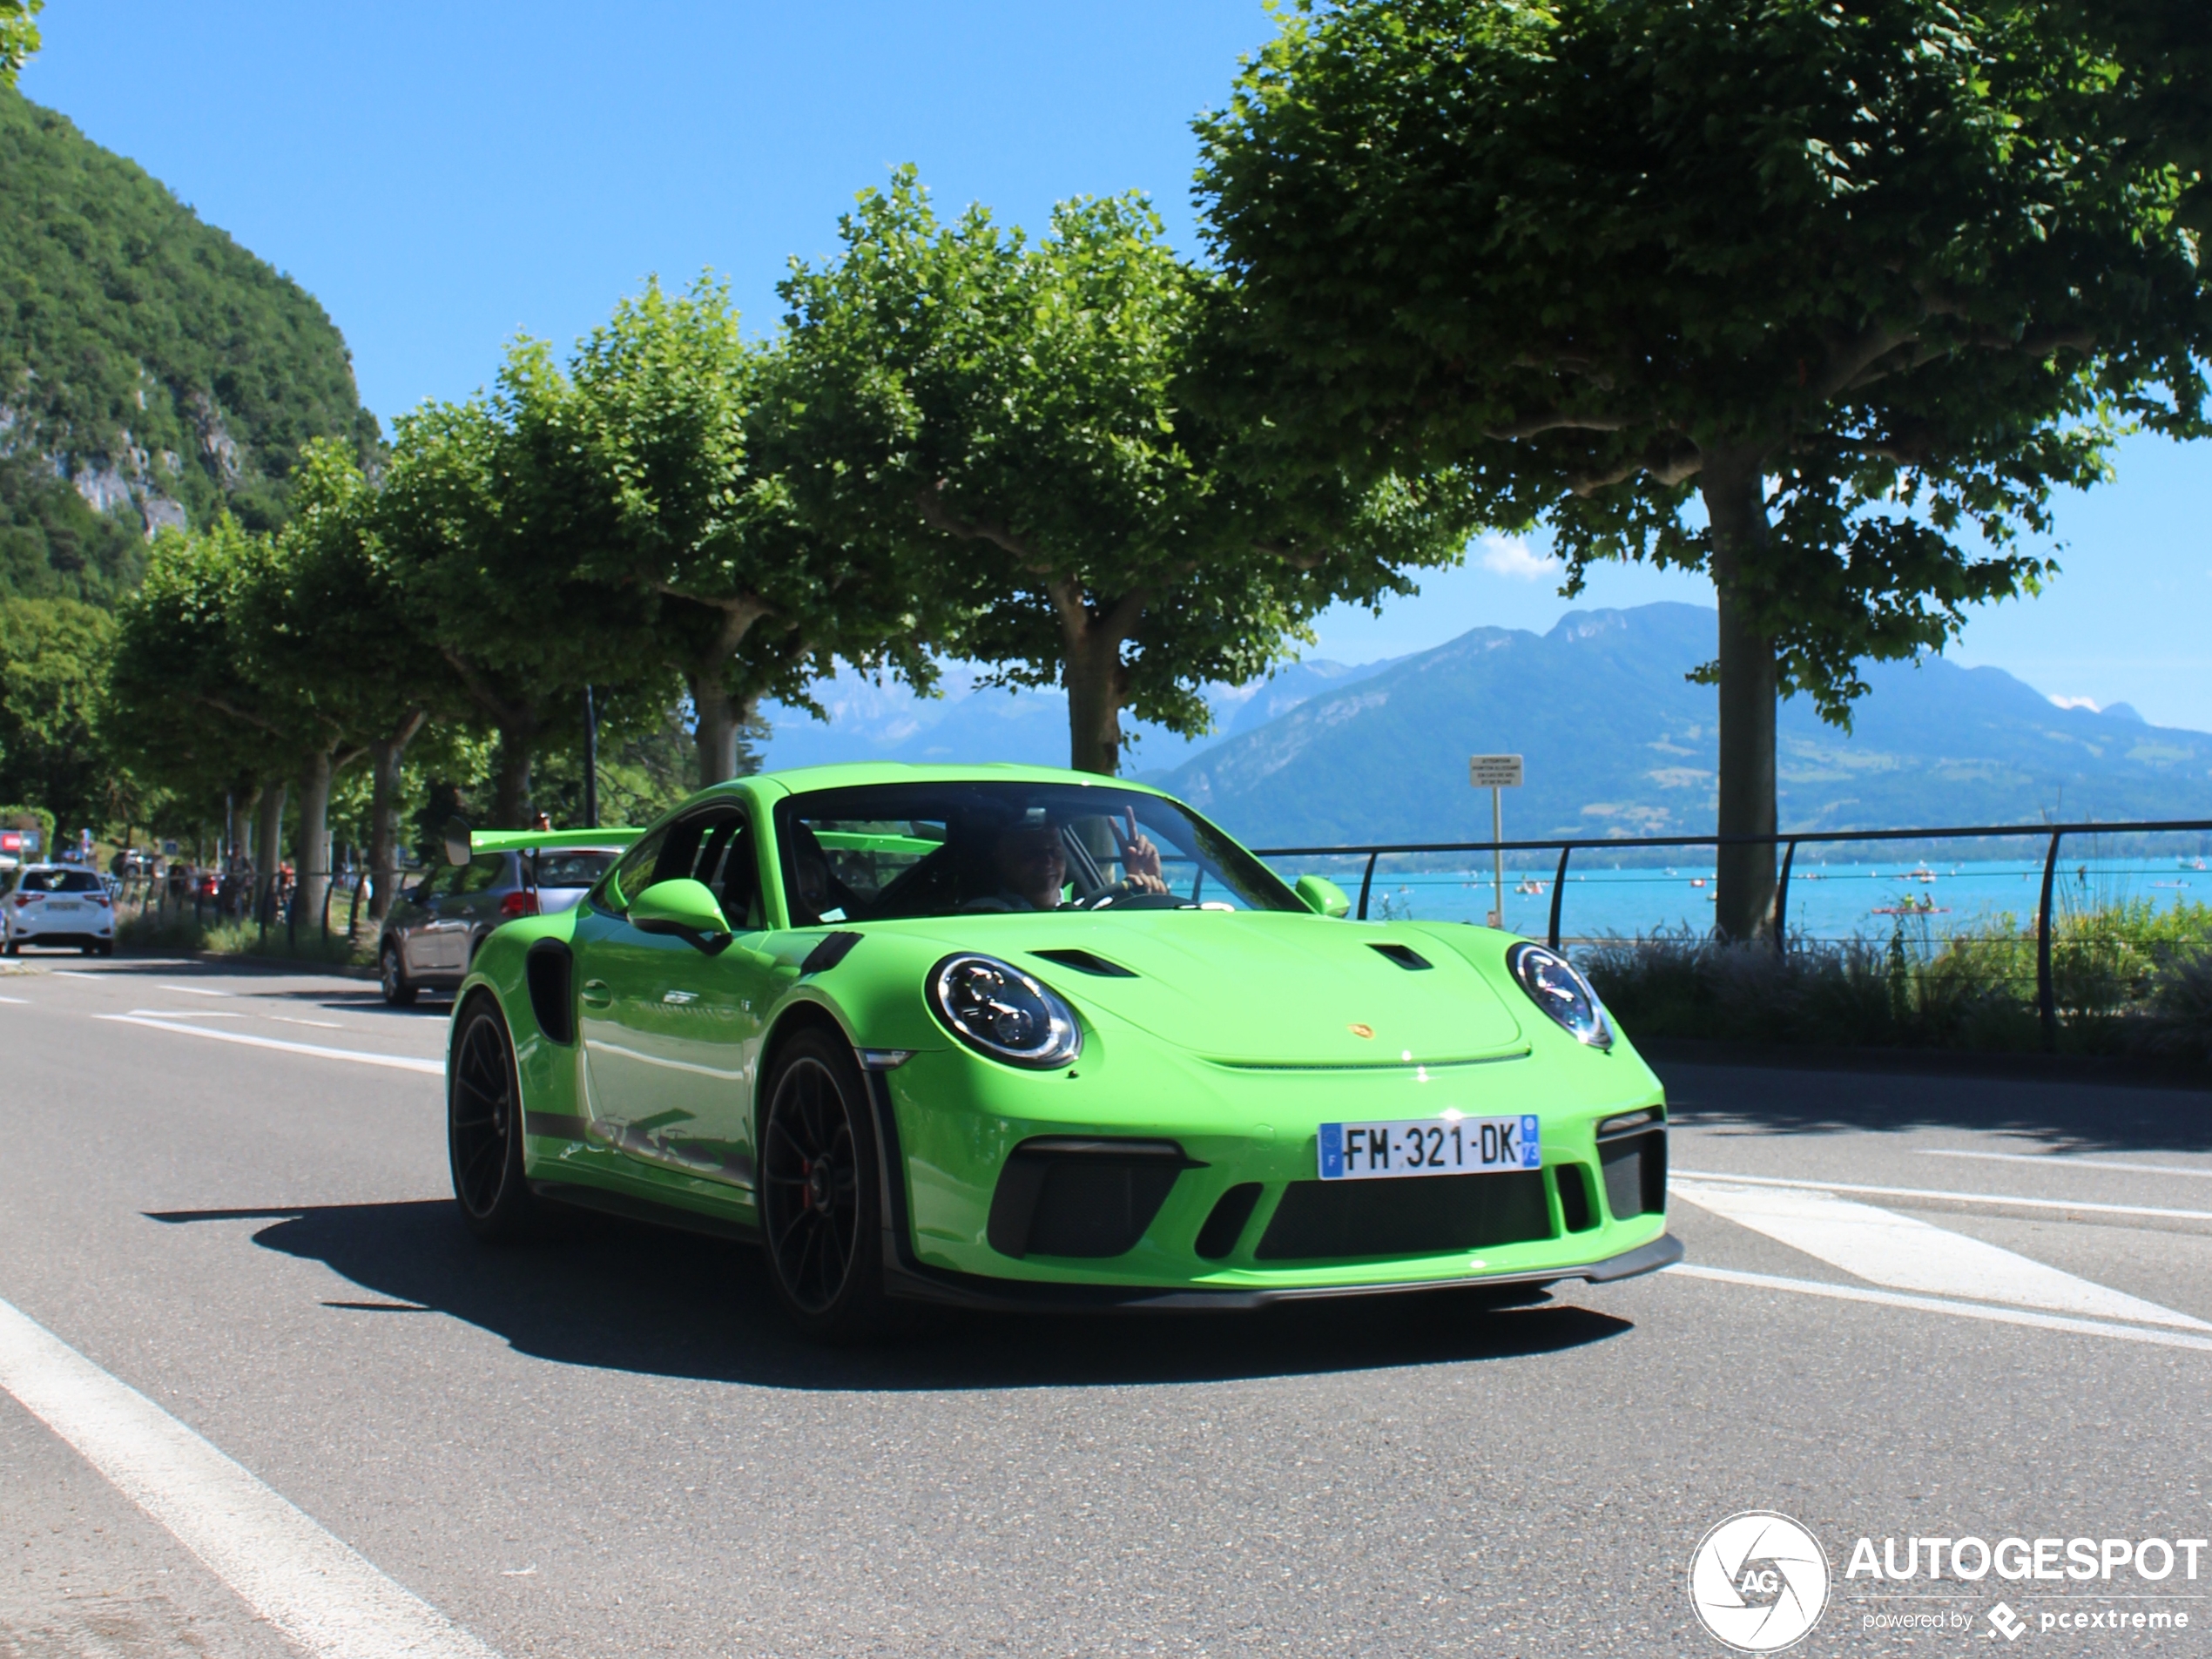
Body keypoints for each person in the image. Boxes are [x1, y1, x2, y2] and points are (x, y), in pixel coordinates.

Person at [972, 808, 1170, 912]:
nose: (1047, 862)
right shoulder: (986, 912)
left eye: (1055, 852)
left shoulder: (1092, 906)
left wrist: (1145, 888)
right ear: (1003, 858)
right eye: (1032, 853)